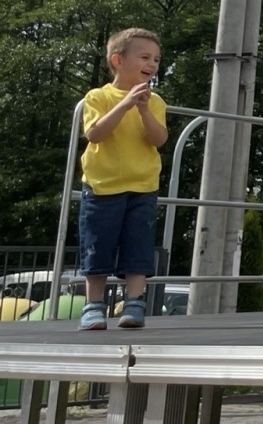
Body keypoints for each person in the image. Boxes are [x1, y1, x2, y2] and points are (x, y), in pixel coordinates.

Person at [77, 28, 168, 331]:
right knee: (97, 244)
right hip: (103, 187)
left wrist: (143, 110)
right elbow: (94, 133)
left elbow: (159, 139)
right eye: (145, 57)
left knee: (139, 245)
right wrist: (125, 104)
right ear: (118, 60)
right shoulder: (98, 96)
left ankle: (135, 303)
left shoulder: (155, 101)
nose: (152, 64)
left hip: (142, 186)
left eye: (156, 59)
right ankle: (93, 305)